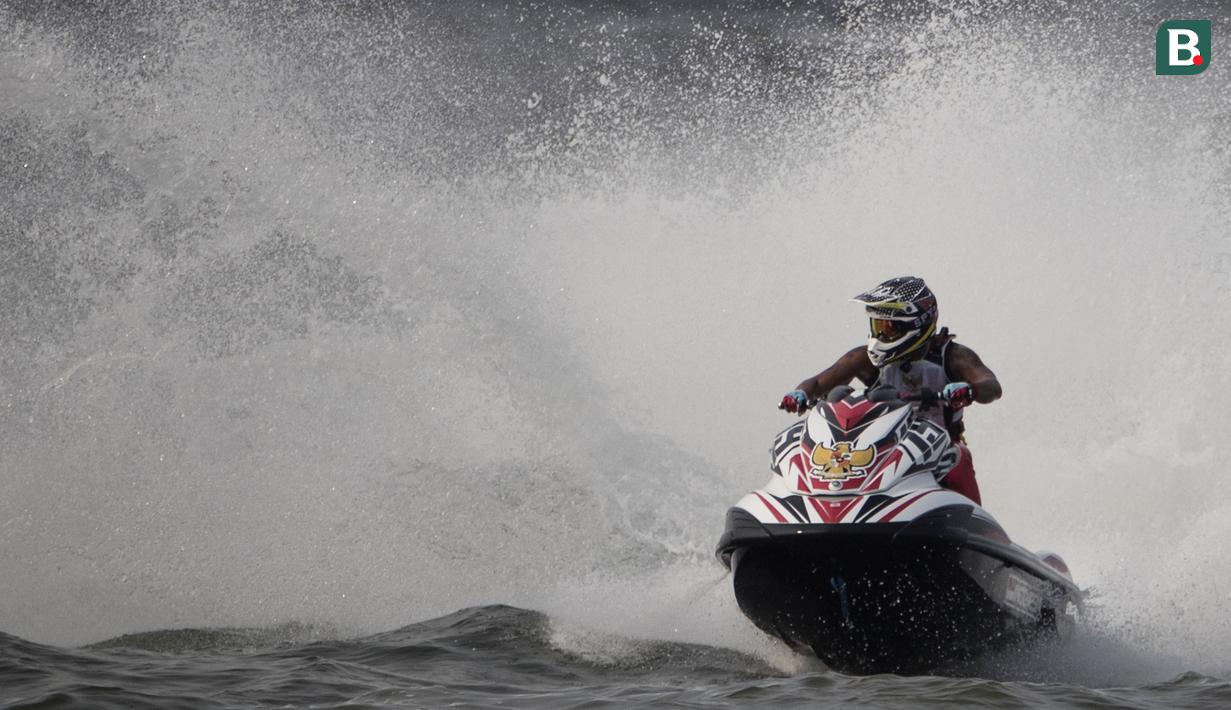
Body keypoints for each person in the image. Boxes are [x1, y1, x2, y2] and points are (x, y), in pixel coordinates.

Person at [777, 276, 1001, 504]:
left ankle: (972, 522)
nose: (880, 336)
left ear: (916, 325)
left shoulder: (953, 356)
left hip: (938, 450)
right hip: (884, 447)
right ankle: (818, 504)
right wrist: (801, 394)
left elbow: (991, 386)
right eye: (877, 326)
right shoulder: (865, 358)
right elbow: (818, 383)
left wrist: (970, 390)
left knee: (959, 456)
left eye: (889, 328)